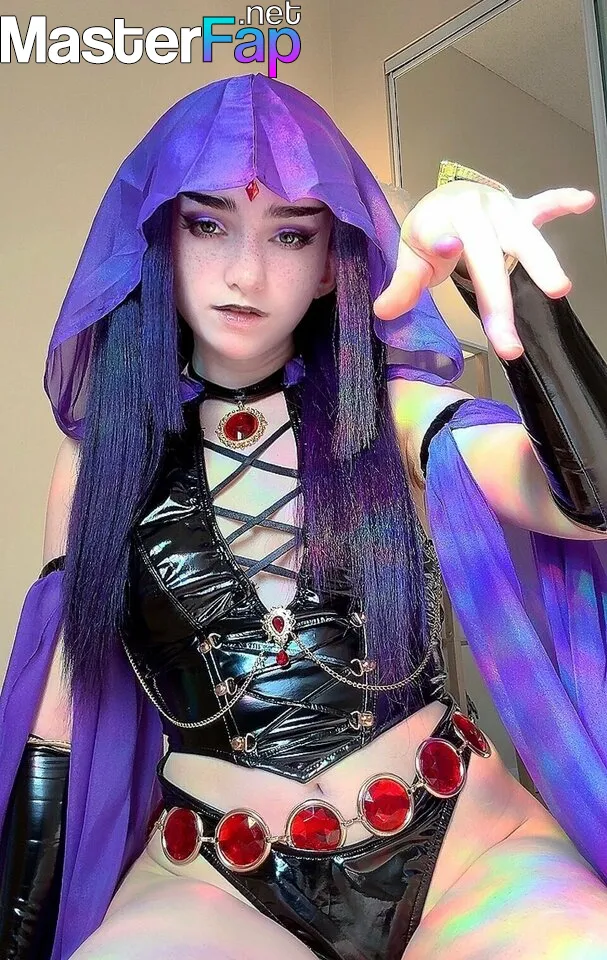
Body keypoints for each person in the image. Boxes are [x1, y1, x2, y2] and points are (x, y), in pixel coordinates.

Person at [1, 72, 607, 960]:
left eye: (290, 234)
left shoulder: (394, 412)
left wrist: (509, 288)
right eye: (207, 224)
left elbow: (588, 509)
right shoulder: (98, 461)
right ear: (159, 237)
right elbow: (57, 723)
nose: (245, 273)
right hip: (218, 882)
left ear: (330, 263)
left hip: (465, 852)